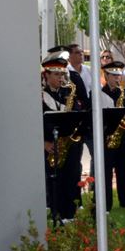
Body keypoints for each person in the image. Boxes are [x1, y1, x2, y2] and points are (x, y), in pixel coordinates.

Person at [41, 51, 85, 222]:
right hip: (51, 144)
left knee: (72, 177)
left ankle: (70, 213)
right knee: (55, 181)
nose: (60, 78)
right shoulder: (39, 95)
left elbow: (78, 115)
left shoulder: (67, 93)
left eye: (62, 74)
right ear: (47, 75)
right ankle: (56, 213)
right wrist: (44, 143)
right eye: (56, 74)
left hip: (70, 143)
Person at [99, 61, 125, 211]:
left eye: (118, 75)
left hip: (124, 136)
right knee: (106, 172)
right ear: (106, 75)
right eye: (114, 75)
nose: (117, 78)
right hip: (108, 136)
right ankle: (106, 204)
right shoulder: (98, 94)